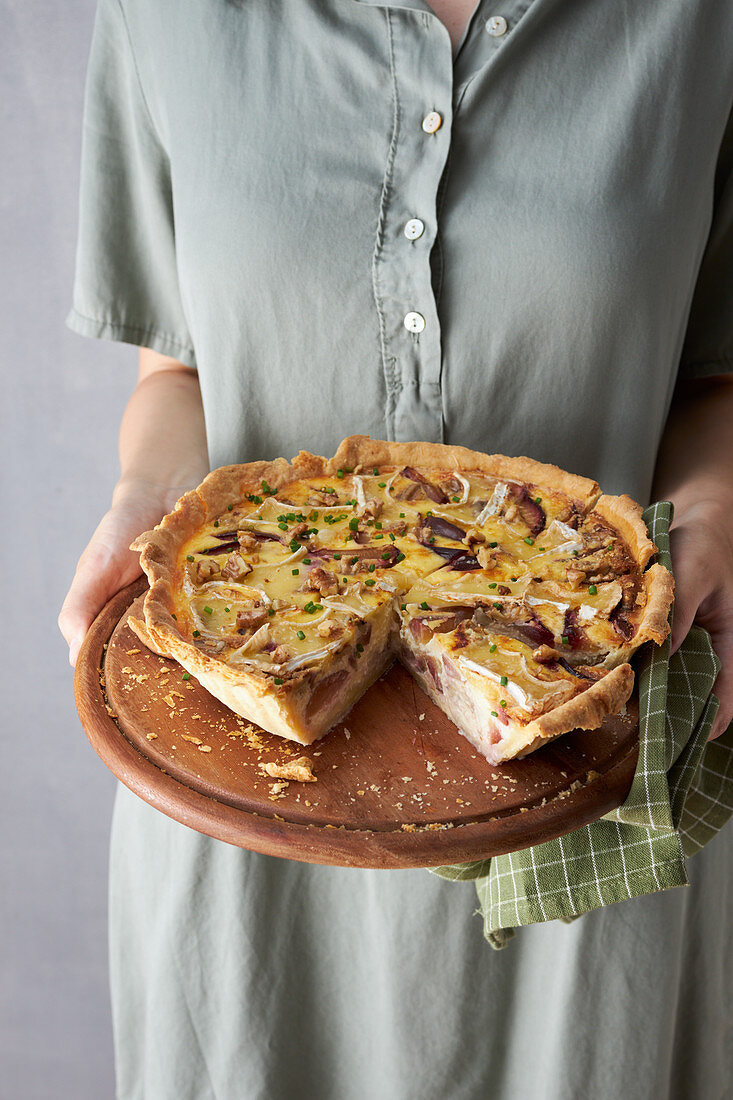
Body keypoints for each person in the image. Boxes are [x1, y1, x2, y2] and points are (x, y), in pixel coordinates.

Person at [59, 1, 733, 1097]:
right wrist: (148, 498)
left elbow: (716, 377)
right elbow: (176, 372)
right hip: (241, 808)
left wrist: (712, 520)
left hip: (591, 772)